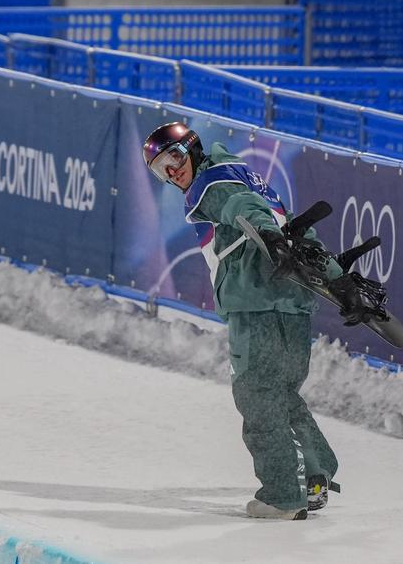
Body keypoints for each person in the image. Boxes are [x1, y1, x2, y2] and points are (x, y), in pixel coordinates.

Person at [141, 121, 364, 520]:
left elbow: (244, 211)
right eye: (161, 169)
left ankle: (283, 494)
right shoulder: (248, 175)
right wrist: (338, 279)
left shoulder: (210, 184)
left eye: (173, 158)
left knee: (256, 394)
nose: (172, 172)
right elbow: (297, 233)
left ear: (191, 148)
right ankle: (314, 475)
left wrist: (266, 233)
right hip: (291, 299)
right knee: (280, 392)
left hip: (254, 299)